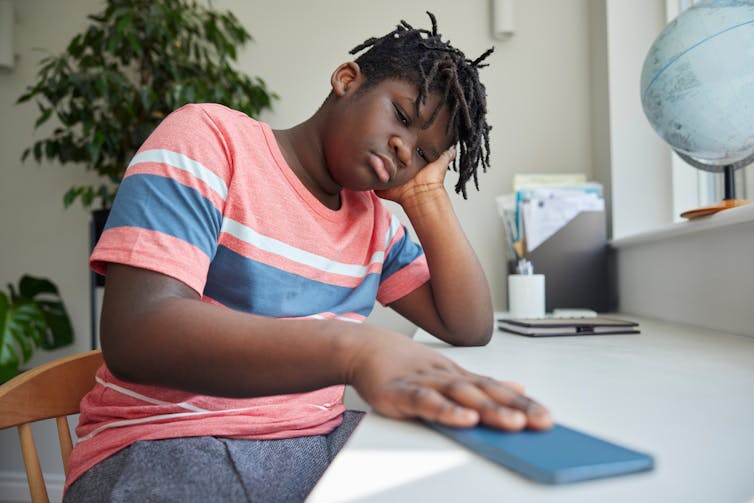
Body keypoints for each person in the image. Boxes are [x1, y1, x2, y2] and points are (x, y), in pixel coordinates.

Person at [64, 12, 552, 502]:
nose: (405, 151)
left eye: (424, 154)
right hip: (168, 440)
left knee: (474, 475)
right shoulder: (211, 140)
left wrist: (426, 196)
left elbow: (467, 325)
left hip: (314, 441)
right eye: (402, 117)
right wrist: (354, 350)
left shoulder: (375, 226)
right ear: (347, 80)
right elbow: (136, 333)